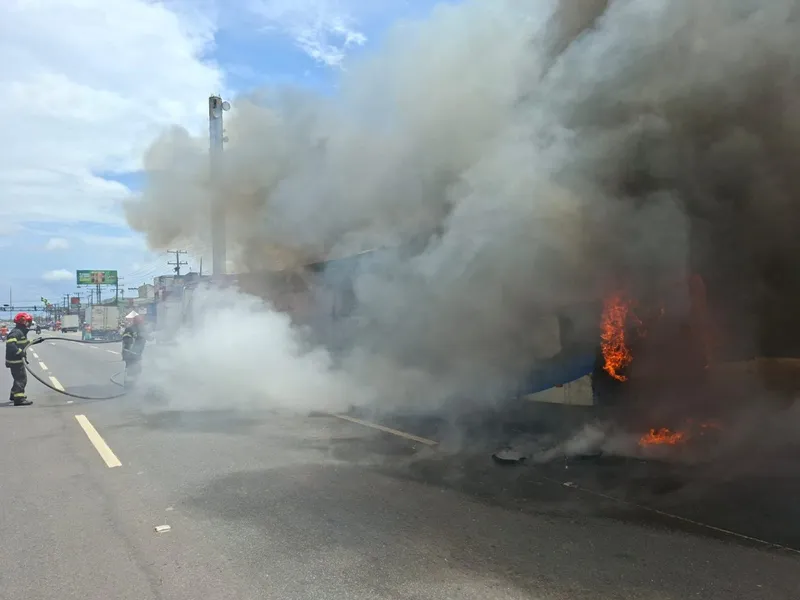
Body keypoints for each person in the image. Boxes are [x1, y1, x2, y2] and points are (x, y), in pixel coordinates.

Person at [5, 312, 41, 406]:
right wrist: (19, 352)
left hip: (16, 360)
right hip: (15, 360)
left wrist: (36, 341)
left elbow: (25, 343)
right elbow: (11, 346)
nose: (29, 324)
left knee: (17, 377)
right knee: (21, 378)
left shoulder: (20, 332)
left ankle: (14, 394)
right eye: (28, 322)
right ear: (23, 322)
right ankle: (19, 398)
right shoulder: (16, 332)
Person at [121, 315, 148, 387]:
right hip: (130, 354)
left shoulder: (142, 329)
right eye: (140, 322)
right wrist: (128, 351)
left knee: (137, 369)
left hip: (137, 354)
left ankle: (134, 384)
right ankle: (128, 386)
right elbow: (126, 340)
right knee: (130, 369)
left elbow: (147, 338)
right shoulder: (130, 329)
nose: (141, 324)